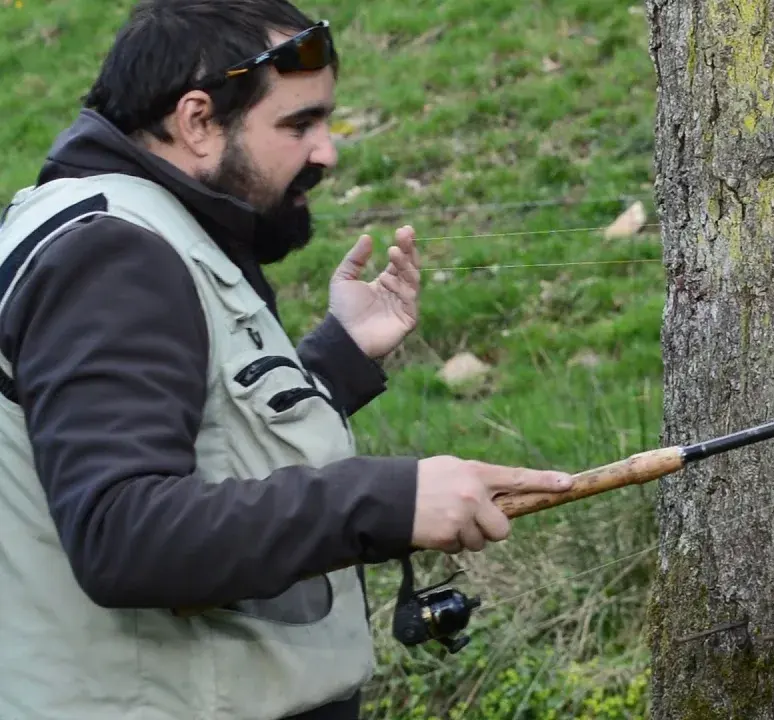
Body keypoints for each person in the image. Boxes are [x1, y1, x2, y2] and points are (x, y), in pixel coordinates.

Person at [0, 1, 575, 718]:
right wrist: (391, 502)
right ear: (198, 120)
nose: (328, 151)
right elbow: (123, 531)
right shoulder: (113, 255)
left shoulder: (143, 226)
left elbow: (201, 436)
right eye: (299, 124)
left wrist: (334, 360)